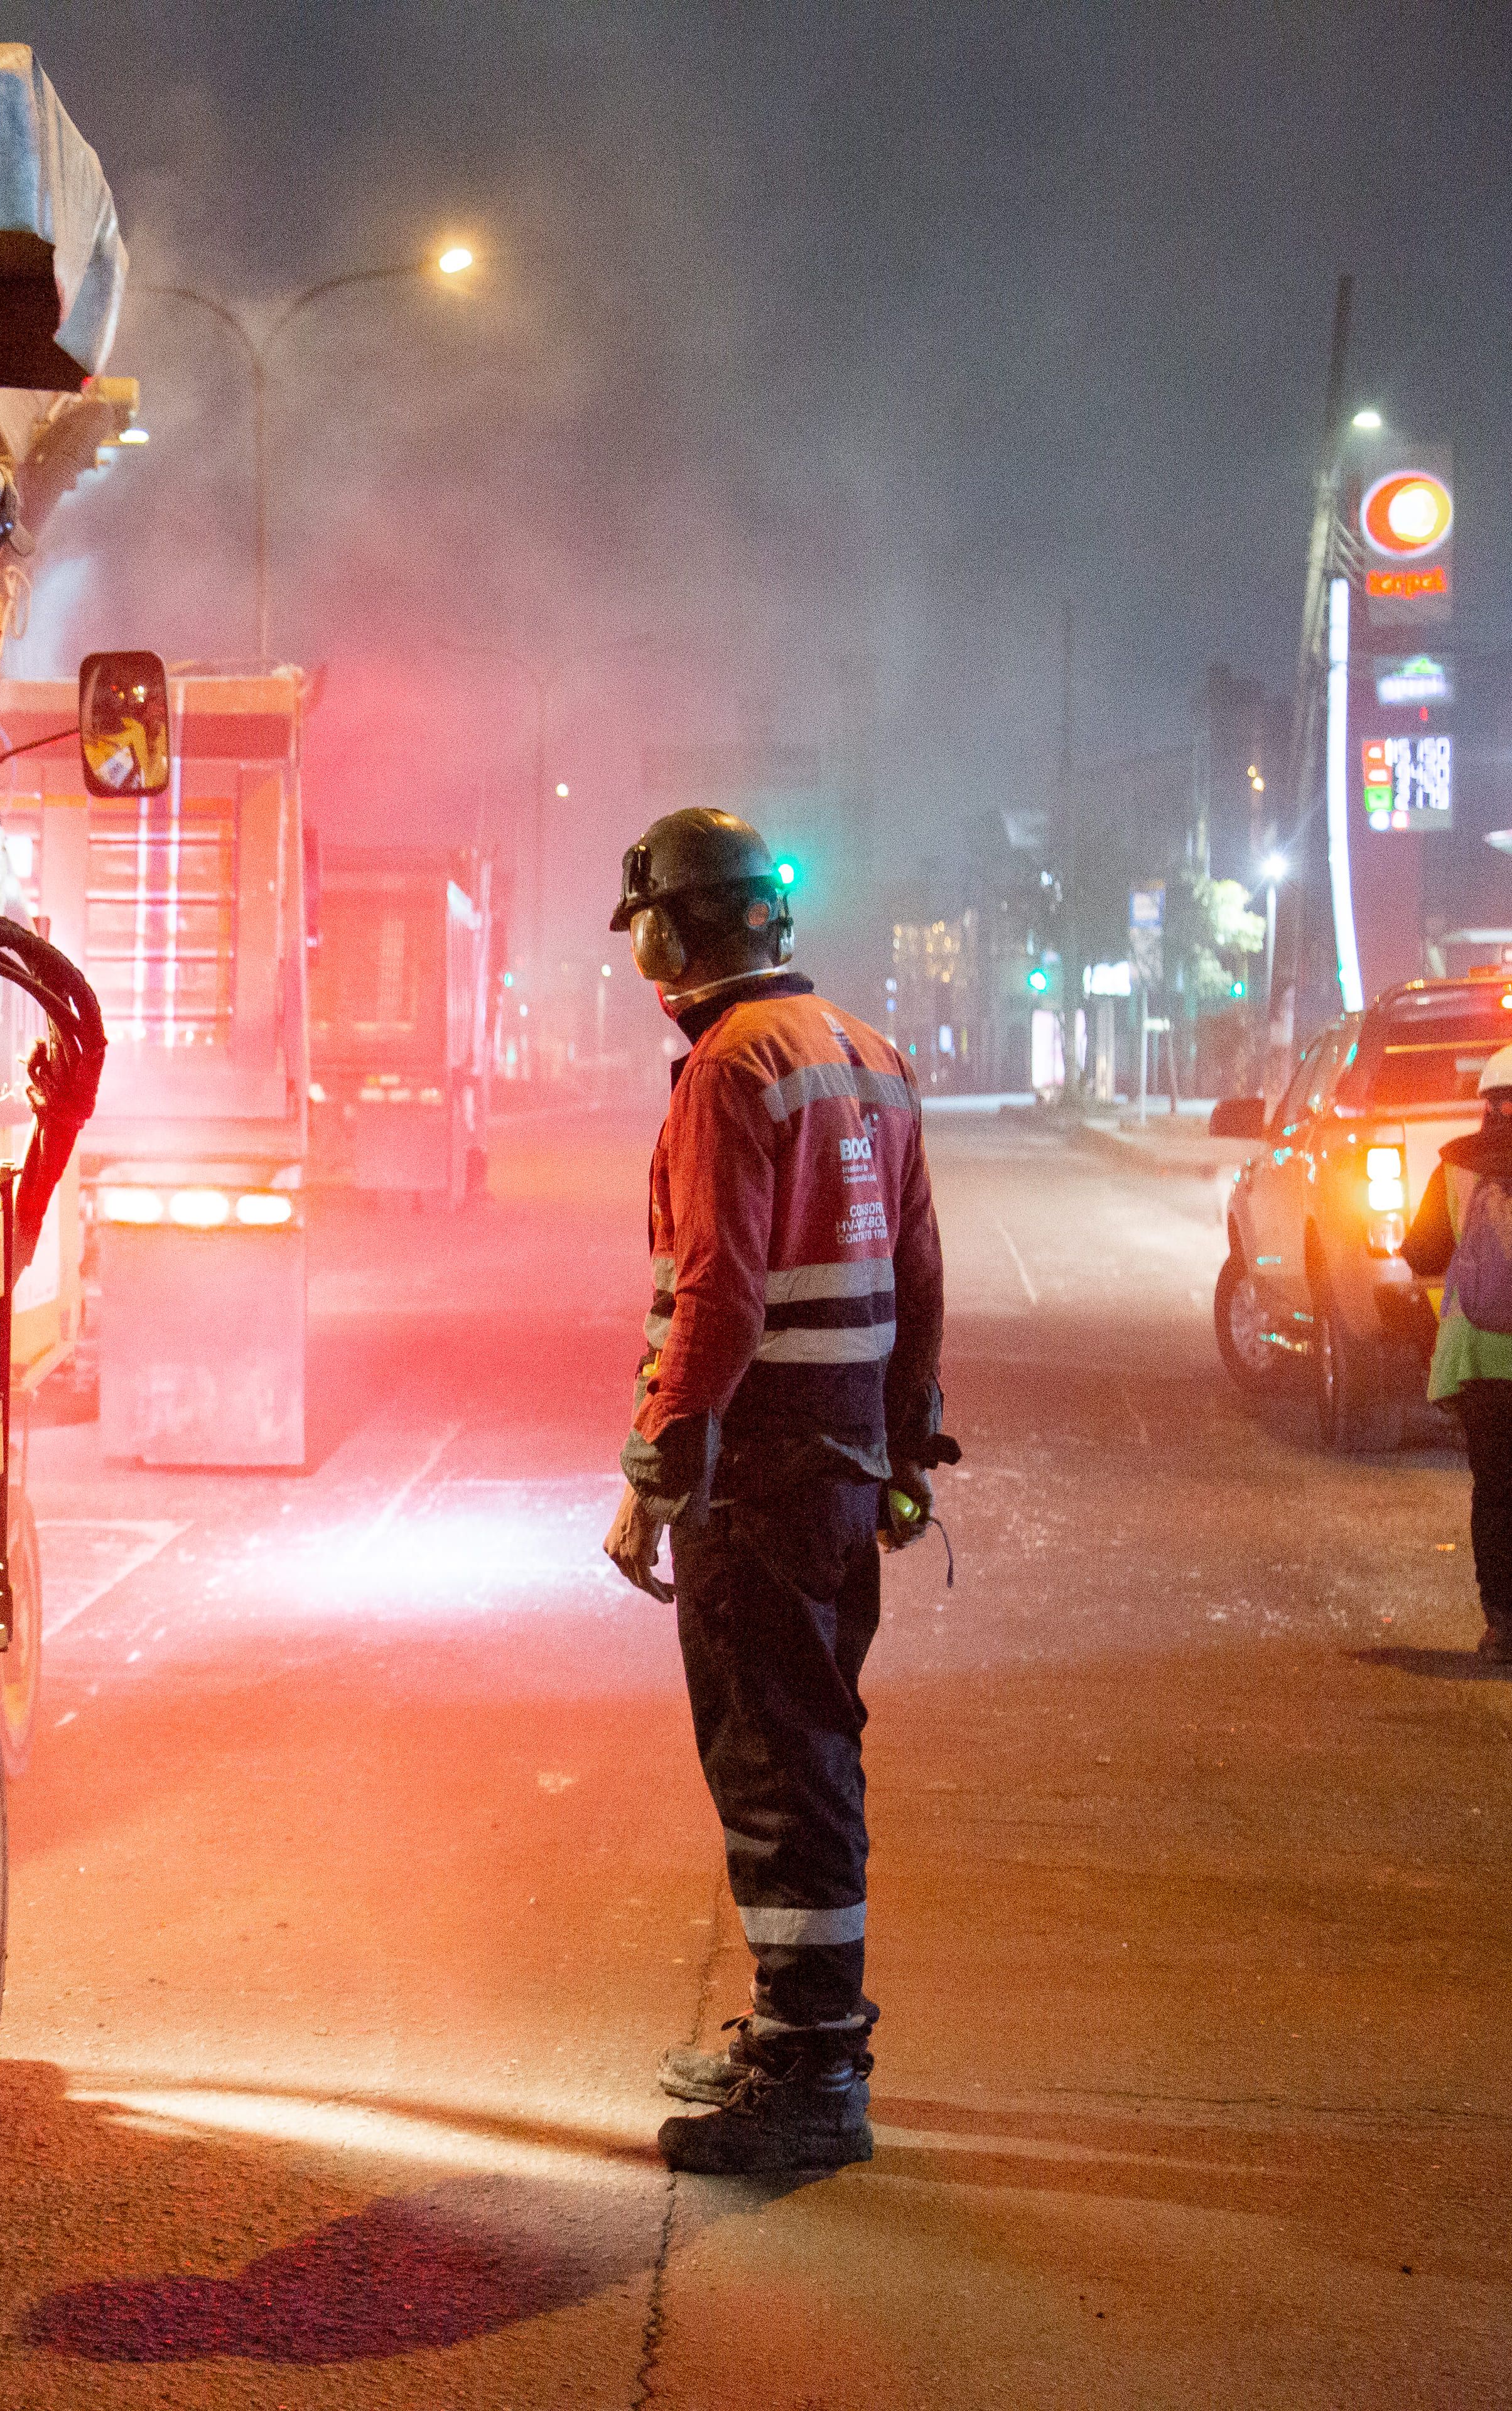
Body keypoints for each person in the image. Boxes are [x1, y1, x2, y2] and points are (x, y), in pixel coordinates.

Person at [599, 806, 949, 2174]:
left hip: (759, 1473)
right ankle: (799, 2031)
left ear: (673, 932)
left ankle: (812, 2076)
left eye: (644, 926)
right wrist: (911, 1450)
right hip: (846, 1464)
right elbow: (920, 1276)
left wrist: (659, 1467)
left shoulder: (728, 1072)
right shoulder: (867, 1055)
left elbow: (719, 1297)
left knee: (774, 1762)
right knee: (812, 1741)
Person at [1396, 1050, 1512, 1664]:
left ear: (1487, 1103)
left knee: (1495, 1491)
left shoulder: (1456, 1166)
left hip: (1479, 1358)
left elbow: (1421, 1254)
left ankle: (1502, 1626)